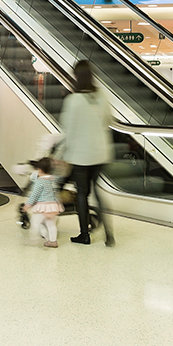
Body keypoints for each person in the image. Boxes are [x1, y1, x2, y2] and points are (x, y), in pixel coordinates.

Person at [59, 60, 114, 246]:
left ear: (76, 77)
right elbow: (108, 120)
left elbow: (68, 129)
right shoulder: (101, 95)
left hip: (81, 155)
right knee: (97, 192)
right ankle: (109, 234)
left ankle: (85, 235)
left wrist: (65, 156)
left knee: (82, 193)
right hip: (100, 153)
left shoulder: (73, 100)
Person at [24, 157, 63, 248]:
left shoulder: (40, 182)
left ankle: (33, 240)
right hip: (53, 206)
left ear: (39, 170)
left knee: (35, 222)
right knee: (51, 224)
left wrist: (27, 205)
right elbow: (56, 193)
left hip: (43, 205)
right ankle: (53, 241)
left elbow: (35, 195)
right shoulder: (53, 180)